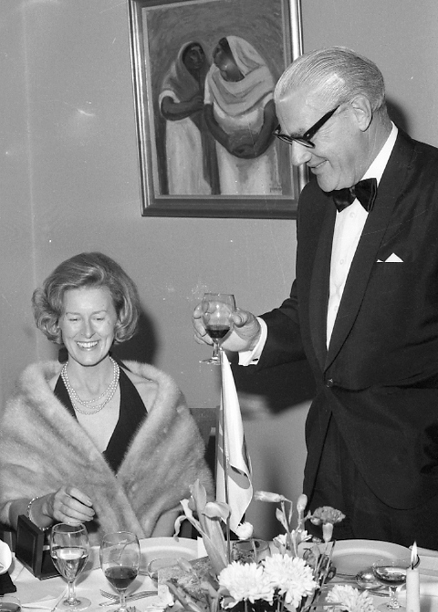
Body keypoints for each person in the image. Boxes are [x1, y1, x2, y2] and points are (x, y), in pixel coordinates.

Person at [193, 47, 438, 547]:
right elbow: (321, 313)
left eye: (307, 137)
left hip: (421, 477)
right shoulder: (316, 200)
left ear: (360, 111)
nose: (298, 157)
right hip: (327, 465)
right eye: (288, 139)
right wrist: (256, 335)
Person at [0, 252, 212, 543]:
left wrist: (147, 558)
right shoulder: (30, 405)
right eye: (74, 318)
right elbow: (11, 509)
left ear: (118, 319)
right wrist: (47, 506)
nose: (87, 332)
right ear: (57, 322)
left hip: (147, 565)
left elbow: (181, 501)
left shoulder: (158, 401)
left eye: (98, 318)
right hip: (65, 567)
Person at [203, 36, 282, 195]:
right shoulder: (213, 77)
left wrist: (256, 149)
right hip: (227, 155)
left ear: (234, 56)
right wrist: (227, 142)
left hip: (260, 154)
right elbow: (208, 115)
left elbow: (271, 118)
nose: (214, 53)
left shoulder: (261, 78)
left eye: (219, 51)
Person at [157, 40, 218, 195]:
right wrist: (191, 105)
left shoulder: (207, 78)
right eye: (193, 54)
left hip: (205, 141)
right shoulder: (174, 80)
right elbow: (167, 109)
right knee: (185, 184)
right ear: (182, 59)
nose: (199, 57)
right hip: (182, 142)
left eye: (201, 53)